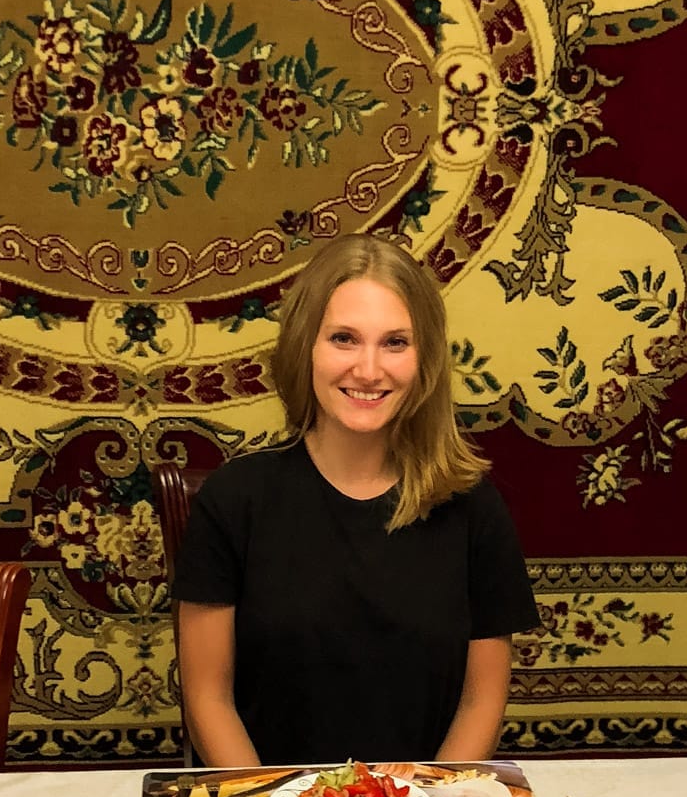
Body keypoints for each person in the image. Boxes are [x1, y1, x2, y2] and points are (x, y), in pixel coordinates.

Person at [174, 234, 538, 764]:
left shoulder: (472, 508)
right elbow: (208, 698)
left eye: (395, 342)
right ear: (306, 346)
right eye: (344, 338)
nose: (369, 370)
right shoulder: (233, 501)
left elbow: (480, 701)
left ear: (425, 358)